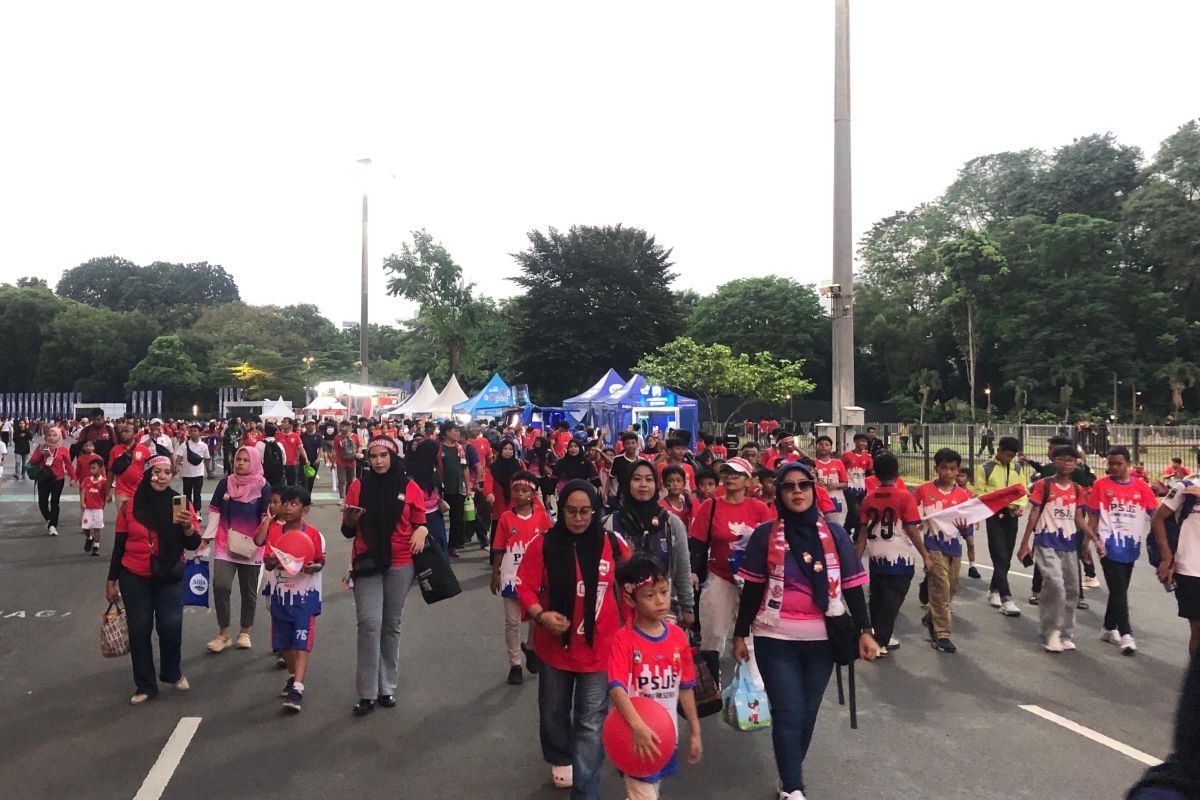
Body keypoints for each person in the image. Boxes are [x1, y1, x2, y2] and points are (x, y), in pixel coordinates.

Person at [733, 461, 877, 800]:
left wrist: (866, 631)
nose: (797, 492)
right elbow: (753, 588)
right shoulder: (765, 535)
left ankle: (788, 775)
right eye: (789, 486)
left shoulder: (836, 534)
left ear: (814, 490)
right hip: (774, 638)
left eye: (803, 485)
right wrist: (740, 634)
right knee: (788, 710)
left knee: (807, 713)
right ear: (779, 493)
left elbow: (853, 586)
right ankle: (795, 789)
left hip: (822, 641)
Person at [517, 480, 630, 797]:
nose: (579, 518)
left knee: (590, 723)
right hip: (555, 649)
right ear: (560, 510)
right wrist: (541, 615)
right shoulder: (543, 544)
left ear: (595, 511)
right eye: (571, 511)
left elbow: (633, 585)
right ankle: (558, 754)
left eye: (585, 511)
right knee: (553, 711)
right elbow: (524, 585)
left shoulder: (613, 543)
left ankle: (586, 792)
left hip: (600, 650)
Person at [341, 436, 429, 717]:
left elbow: (421, 521)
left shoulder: (409, 486)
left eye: (383, 455)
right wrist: (351, 520)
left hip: (401, 562)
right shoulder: (358, 486)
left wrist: (422, 531)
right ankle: (366, 692)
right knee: (369, 624)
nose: (378, 461)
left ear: (393, 457)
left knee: (391, 625)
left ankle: (386, 686)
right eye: (374, 456)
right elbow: (346, 530)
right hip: (367, 562)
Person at [105, 455, 201, 704]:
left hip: (169, 573)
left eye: (166, 472)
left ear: (172, 475)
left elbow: (193, 544)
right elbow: (119, 545)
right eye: (155, 472)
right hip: (134, 575)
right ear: (147, 475)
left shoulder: (180, 503)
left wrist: (188, 527)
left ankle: (172, 672)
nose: (161, 477)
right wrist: (111, 580)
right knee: (139, 630)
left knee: (170, 625)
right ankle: (145, 685)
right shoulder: (129, 506)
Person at [607, 553, 703, 800]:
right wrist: (637, 726)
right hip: (634, 736)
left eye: (663, 591)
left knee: (649, 792)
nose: (661, 601)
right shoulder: (624, 640)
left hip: (667, 735)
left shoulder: (678, 637)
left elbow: (686, 686)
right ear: (630, 599)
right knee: (645, 795)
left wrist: (695, 731)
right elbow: (616, 688)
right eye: (650, 596)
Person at [688, 457, 773, 673]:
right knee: (713, 633)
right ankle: (710, 687)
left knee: (753, 635)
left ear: (748, 480)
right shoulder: (711, 505)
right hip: (720, 576)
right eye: (726, 473)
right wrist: (693, 572)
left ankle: (754, 692)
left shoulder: (760, 508)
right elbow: (697, 543)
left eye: (736, 474)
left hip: (753, 581)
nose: (730, 477)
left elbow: (770, 544)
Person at [1016, 445, 1105, 653]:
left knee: (1072, 588)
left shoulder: (1076, 489)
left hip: (1068, 544)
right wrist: (1024, 543)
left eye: (1072, 460)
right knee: (1055, 583)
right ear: (1054, 461)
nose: (1067, 463)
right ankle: (1052, 631)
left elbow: (1078, 518)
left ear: (1077, 463)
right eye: (1063, 459)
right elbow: (1034, 514)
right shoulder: (1043, 485)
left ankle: (1066, 632)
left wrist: (1093, 538)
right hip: (1046, 541)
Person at [257, 486, 325, 713]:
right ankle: (294, 675)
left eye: (293, 504)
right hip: (280, 597)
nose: (287, 507)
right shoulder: (275, 533)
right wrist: (274, 562)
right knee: (283, 646)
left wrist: (314, 566)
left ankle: (297, 687)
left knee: (301, 643)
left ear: (305, 509)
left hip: (305, 598)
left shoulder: (313, 534)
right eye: (285, 503)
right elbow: (267, 561)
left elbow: (319, 561)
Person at [856, 453, 930, 656]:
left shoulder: (868, 498)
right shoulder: (904, 497)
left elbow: (862, 533)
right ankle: (880, 640)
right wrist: (925, 554)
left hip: (877, 557)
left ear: (876, 474)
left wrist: (856, 559)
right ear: (897, 473)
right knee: (892, 602)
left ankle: (874, 635)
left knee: (878, 599)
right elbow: (912, 529)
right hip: (899, 558)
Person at [202, 445, 272, 653]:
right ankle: (223, 633)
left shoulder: (264, 487)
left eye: (245, 460)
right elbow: (215, 511)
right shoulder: (225, 483)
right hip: (225, 544)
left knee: (248, 592)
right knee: (221, 585)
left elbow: (265, 518)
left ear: (255, 462)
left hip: (253, 547)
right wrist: (207, 538)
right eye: (238, 459)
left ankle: (244, 631)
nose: (240, 463)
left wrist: (265, 543)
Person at [1088, 446, 1157, 655]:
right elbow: (1093, 517)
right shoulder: (1100, 485)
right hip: (1107, 544)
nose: (1114, 467)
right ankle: (1126, 634)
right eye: (1110, 464)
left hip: (1130, 545)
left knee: (1120, 589)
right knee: (1118, 588)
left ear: (1128, 463)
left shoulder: (1142, 487)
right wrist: (1087, 543)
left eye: (1118, 463)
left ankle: (1108, 628)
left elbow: (1156, 514)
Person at [610, 460, 695, 628]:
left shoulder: (672, 524)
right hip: (621, 613)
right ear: (627, 483)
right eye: (636, 479)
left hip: (663, 610)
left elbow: (683, 569)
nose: (643, 485)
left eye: (649, 480)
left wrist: (688, 606)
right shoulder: (610, 524)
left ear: (656, 485)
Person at [491, 470, 553, 684]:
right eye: (516, 490)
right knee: (512, 622)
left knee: (535, 617)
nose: (519, 494)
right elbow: (499, 548)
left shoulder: (542, 518)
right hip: (510, 575)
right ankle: (514, 663)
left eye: (524, 490)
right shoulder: (506, 519)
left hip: (535, 578)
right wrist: (495, 574)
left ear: (533, 493)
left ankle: (531, 646)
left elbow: (551, 545)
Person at [916, 448, 974, 653]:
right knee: (940, 585)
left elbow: (968, 522)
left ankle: (932, 615)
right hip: (933, 545)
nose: (948, 473)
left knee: (952, 587)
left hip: (954, 546)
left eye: (952, 469)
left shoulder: (963, 494)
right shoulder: (924, 490)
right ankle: (942, 634)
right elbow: (913, 516)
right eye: (944, 468)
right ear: (936, 468)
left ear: (957, 471)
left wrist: (967, 534)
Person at [974, 436, 1031, 617]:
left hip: (1012, 515)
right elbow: (980, 492)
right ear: (999, 451)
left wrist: (1021, 505)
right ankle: (1006, 598)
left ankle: (994, 590)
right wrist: (1000, 500)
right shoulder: (985, 468)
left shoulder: (1017, 467)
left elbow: (1022, 490)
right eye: (1007, 455)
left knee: (1006, 555)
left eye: (1012, 456)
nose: (1009, 459)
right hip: (994, 514)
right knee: (998, 553)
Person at [1151, 474, 1200, 657]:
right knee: (1197, 628)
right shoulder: (1185, 489)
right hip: (1190, 569)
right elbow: (1158, 519)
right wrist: (1166, 556)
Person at [30, 425, 75, 536]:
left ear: (59, 436)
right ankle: (49, 518)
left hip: (58, 479)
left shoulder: (63, 450)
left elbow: (69, 465)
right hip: (43, 478)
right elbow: (32, 461)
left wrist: (73, 477)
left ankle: (53, 525)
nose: (51, 437)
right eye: (49, 435)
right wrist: (41, 454)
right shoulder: (41, 447)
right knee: (42, 503)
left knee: (55, 502)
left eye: (54, 435)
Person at [438, 421, 474, 557]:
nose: (458, 433)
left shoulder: (461, 449)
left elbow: (465, 468)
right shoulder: (439, 448)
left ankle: (452, 546)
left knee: (457, 519)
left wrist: (468, 487)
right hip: (441, 490)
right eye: (455, 430)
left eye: (459, 431)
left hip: (457, 488)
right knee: (438, 518)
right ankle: (439, 545)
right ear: (446, 432)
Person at [841, 433, 873, 539]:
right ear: (855, 442)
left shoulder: (867, 457)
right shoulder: (847, 455)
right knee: (855, 510)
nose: (863, 443)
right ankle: (846, 528)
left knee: (861, 511)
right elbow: (841, 469)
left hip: (862, 487)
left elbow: (870, 471)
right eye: (861, 441)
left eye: (865, 442)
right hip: (849, 487)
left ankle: (856, 534)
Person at [174, 424, 209, 519]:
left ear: (199, 433)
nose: (193, 433)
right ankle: (188, 512)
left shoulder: (204, 446)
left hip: (198, 474)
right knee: (187, 494)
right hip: (186, 474)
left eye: (195, 431)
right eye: (192, 431)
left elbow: (206, 459)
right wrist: (176, 466)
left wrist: (208, 472)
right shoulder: (184, 445)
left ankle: (197, 512)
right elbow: (179, 457)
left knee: (197, 494)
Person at [80, 457, 108, 556]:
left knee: (97, 528)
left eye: (94, 468)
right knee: (85, 528)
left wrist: (108, 498)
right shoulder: (87, 480)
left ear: (100, 469)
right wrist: (82, 502)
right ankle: (89, 538)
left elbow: (106, 494)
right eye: (90, 468)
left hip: (98, 509)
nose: (91, 470)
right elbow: (83, 491)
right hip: (88, 508)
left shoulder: (104, 482)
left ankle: (96, 546)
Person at [275, 417, 306, 487]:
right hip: (281, 464)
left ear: (290, 425)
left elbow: (301, 448)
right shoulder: (278, 435)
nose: (283, 424)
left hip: (292, 464)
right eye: (282, 422)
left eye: (285, 422)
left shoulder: (296, 436)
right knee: (282, 485)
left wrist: (306, 459)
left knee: (292, 485)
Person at [333, 420, 361, 498]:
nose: (341, 428)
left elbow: (360, 445)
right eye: (341, 426)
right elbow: (334, 450)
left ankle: (348, 496)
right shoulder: (337, 437)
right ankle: (342, 497)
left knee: (351, 481)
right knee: (341, 481)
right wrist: (333, 463)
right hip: (341, 463)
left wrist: (358, 453)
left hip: (352, 462)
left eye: (343, 426)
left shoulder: (355, 436)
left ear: (349, 427)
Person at [299, 418, 323, 494]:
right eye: (309, 424)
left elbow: (320, 448)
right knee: (304, 480)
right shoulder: (302, 436)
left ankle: (308, 495)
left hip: (314, 461)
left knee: (311, 480)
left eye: (312, 424)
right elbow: (300, 448)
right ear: (305, 426)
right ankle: (304, 496)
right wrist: (304, 459)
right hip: (303, 461)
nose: (311, 426)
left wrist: (318, 458)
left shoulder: (318, 436)